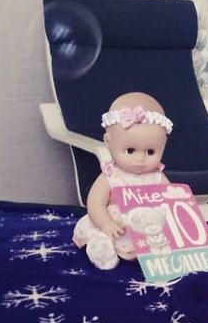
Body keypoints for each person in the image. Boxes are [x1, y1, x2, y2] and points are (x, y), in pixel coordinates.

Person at [72, 91, 173, 270]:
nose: (140, 159)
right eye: (130, 150)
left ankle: (154, 252)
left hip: (146, 226)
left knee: (163, 235)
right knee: (102, 231)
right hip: (116, 224)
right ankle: (102, 249)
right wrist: (105, 222)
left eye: (150, 152)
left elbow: (172, 200)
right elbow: (95, 203)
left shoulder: (157, 177)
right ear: (108, 142)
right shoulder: (111, 175)